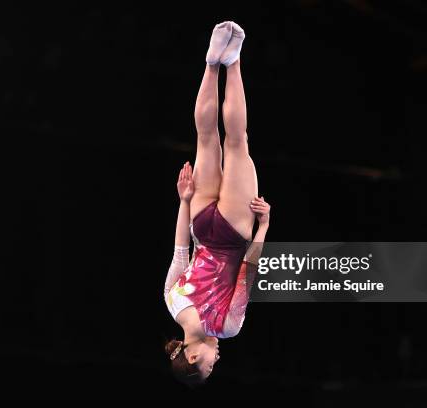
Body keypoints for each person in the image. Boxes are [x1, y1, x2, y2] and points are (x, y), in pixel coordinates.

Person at [163, 21, 271, 386]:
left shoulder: (228, 328)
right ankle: (211, 64)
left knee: (237, 141)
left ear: (192, 356)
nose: (216, 360)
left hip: (231, 232)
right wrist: (184, 201)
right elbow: (181, 250)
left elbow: (248, 271)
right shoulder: (171, 303)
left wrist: (264, 227)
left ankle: (234, 61)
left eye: (209, 365)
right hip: (200, 222)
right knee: (207, 138)